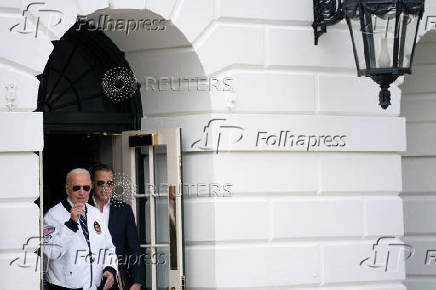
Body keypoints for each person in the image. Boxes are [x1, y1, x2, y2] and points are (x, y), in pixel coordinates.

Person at [43, 168, 118, 290]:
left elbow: (108, 248)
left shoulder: (96, 214)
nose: (82, 192)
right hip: (64, 287)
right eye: (76, 188)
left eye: (86, 188)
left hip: (94, 286)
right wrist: (71, 224)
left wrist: (110, 269)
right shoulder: (52, 215)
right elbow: (51, 252)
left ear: (91, 188)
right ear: (68, 189)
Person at [88, 164, 144, 290]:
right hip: (88, 277)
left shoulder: (124, 211)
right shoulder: (83, 209)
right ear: (92, 184)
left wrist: (137, 282)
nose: (105, 187)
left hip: (117, 278)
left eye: (109, 183)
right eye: (100, 183)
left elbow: (134, 248)